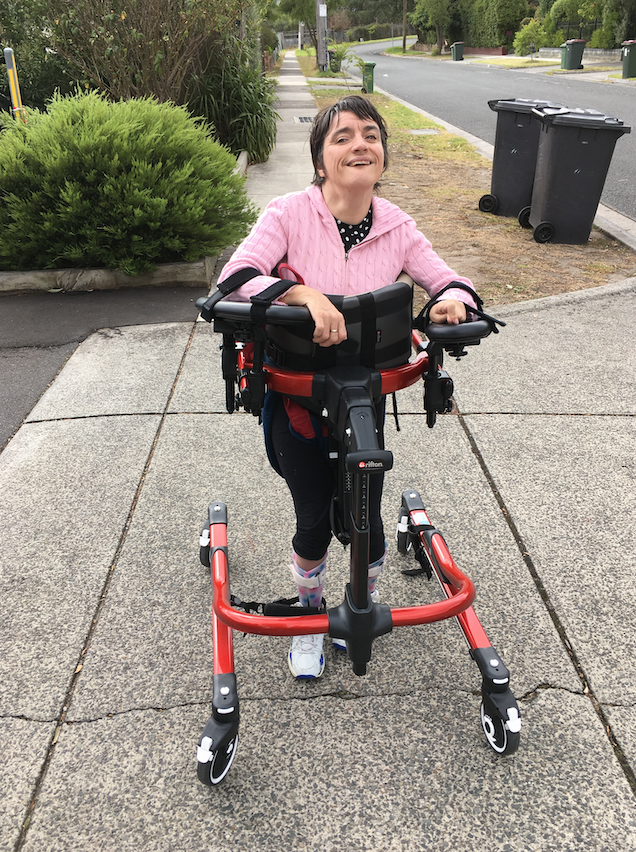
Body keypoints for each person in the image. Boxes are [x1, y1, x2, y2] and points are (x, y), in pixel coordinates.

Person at [217, 95, 478, 680]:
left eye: (369, 134)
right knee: (313, 518)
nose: (359, 143)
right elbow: (233, 279)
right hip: (299, 400)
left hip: (363, 399)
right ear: (320, 160)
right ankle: (311, 615)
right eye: (342, 137)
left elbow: (447, 278)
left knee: (370, 520)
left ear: (382, 155)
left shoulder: (397, 226)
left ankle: (359, 602)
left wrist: (454, 297)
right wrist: (299, 294)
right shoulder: (287, 213)